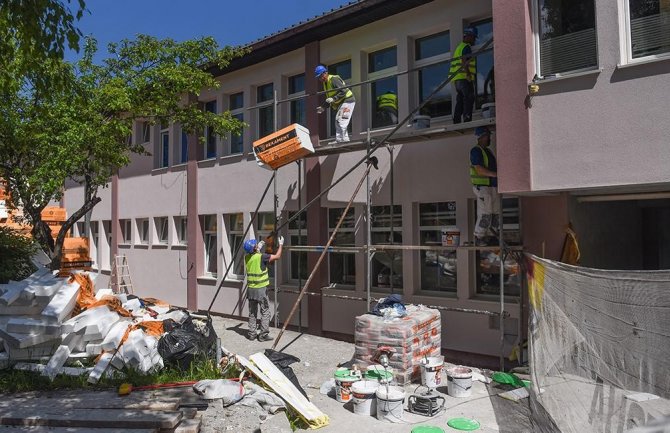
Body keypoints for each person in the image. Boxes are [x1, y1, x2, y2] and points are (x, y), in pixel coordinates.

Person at [243, 235, 284, 341]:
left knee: (252, 312)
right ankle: (263, 335)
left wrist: (258, 249)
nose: (258, 244)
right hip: (261, 290)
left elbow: (255, 258)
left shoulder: (247, 257)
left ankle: (252, 334)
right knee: (265, 311)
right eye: (256, 245)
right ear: (255, 248)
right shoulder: (262, 257)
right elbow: (277, 256)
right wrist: (281, 244)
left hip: (251, 290)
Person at [470, 126, 500, 246]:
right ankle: (479, 236)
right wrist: (495, 174)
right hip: (483, 187)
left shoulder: (488, 151)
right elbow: (479, 169)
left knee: (495, 213)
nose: (489, 138)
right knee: (485, 213)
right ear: (482, 136)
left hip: (492, 186)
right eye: (488, 136)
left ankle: (492, 236)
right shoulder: (476, 151)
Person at [315, 65, 356, 142]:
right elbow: (330, 98)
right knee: (339, 120)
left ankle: (341, 139)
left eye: (321, 76)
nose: (321, 78)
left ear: (326, 73)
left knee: (341, 120)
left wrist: (333, 99)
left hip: (347, 100)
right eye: (319, 77)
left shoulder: (333, 79)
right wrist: (323, 107)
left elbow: (344, 91)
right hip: (342, 102)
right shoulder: (326, 83)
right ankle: (343, 139)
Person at [451, 26, 478, 124]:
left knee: (460, 100)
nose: (474, 40)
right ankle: (467, 118)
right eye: (474, 37)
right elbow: (464, 61)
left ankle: (456, 120)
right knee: (469, 97)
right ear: (469, 36)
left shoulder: (459, 47)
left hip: (457, 79)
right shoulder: (466, 47)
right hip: (464, 77)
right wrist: (469, 75)